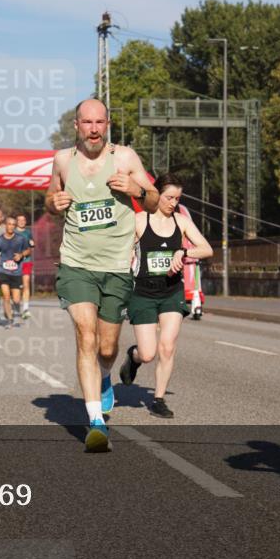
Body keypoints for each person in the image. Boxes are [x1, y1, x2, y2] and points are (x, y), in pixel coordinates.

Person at [45, 98, 158, 452]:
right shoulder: (63, 160)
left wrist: (136, 190)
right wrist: (54, 203)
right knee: (85, 336)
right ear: (76, 125)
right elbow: (50, 196)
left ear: (107, 124)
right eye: (87, 122)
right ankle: (95, 421)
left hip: (116, 266)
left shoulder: (124, 158)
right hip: (76, 263)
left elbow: (154, 200)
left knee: (107, 347)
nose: (93, 129)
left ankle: (106, 374)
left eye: (100, 122)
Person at [119, 173, 212, 418]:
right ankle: (133, 357)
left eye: (177, 198)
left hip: (171, 291)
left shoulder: (181, 221)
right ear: (156, 194)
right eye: (169, 197)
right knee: (148, 353)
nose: (173, 203)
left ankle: (158, 399)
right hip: (143, 293)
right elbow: (121, 250)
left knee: (168, 347)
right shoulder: (139, 220)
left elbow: (206, 248)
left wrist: (183, 252)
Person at [0, 215, 31, 327]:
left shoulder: (21, 239)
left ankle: (11, 309)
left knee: (16, 300)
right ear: (5, 225)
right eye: (9, 224)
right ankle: (9, 320)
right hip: (3, 271)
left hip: (16, 272)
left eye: (13, 225)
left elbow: (28, 250)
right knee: (6, 295)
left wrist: (21, 255)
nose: (11, 226)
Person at [16, 213, 36, 319]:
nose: (22, 222)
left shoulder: (28, 233)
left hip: (26, 261)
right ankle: (16, 303)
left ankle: (26, 308)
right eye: (20, 220)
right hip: (14, 263)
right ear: (16, 221)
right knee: (16, 286)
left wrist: (31, 247)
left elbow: (32, 246)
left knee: (26, 284)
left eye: (23, 220)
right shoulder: (13, 232)